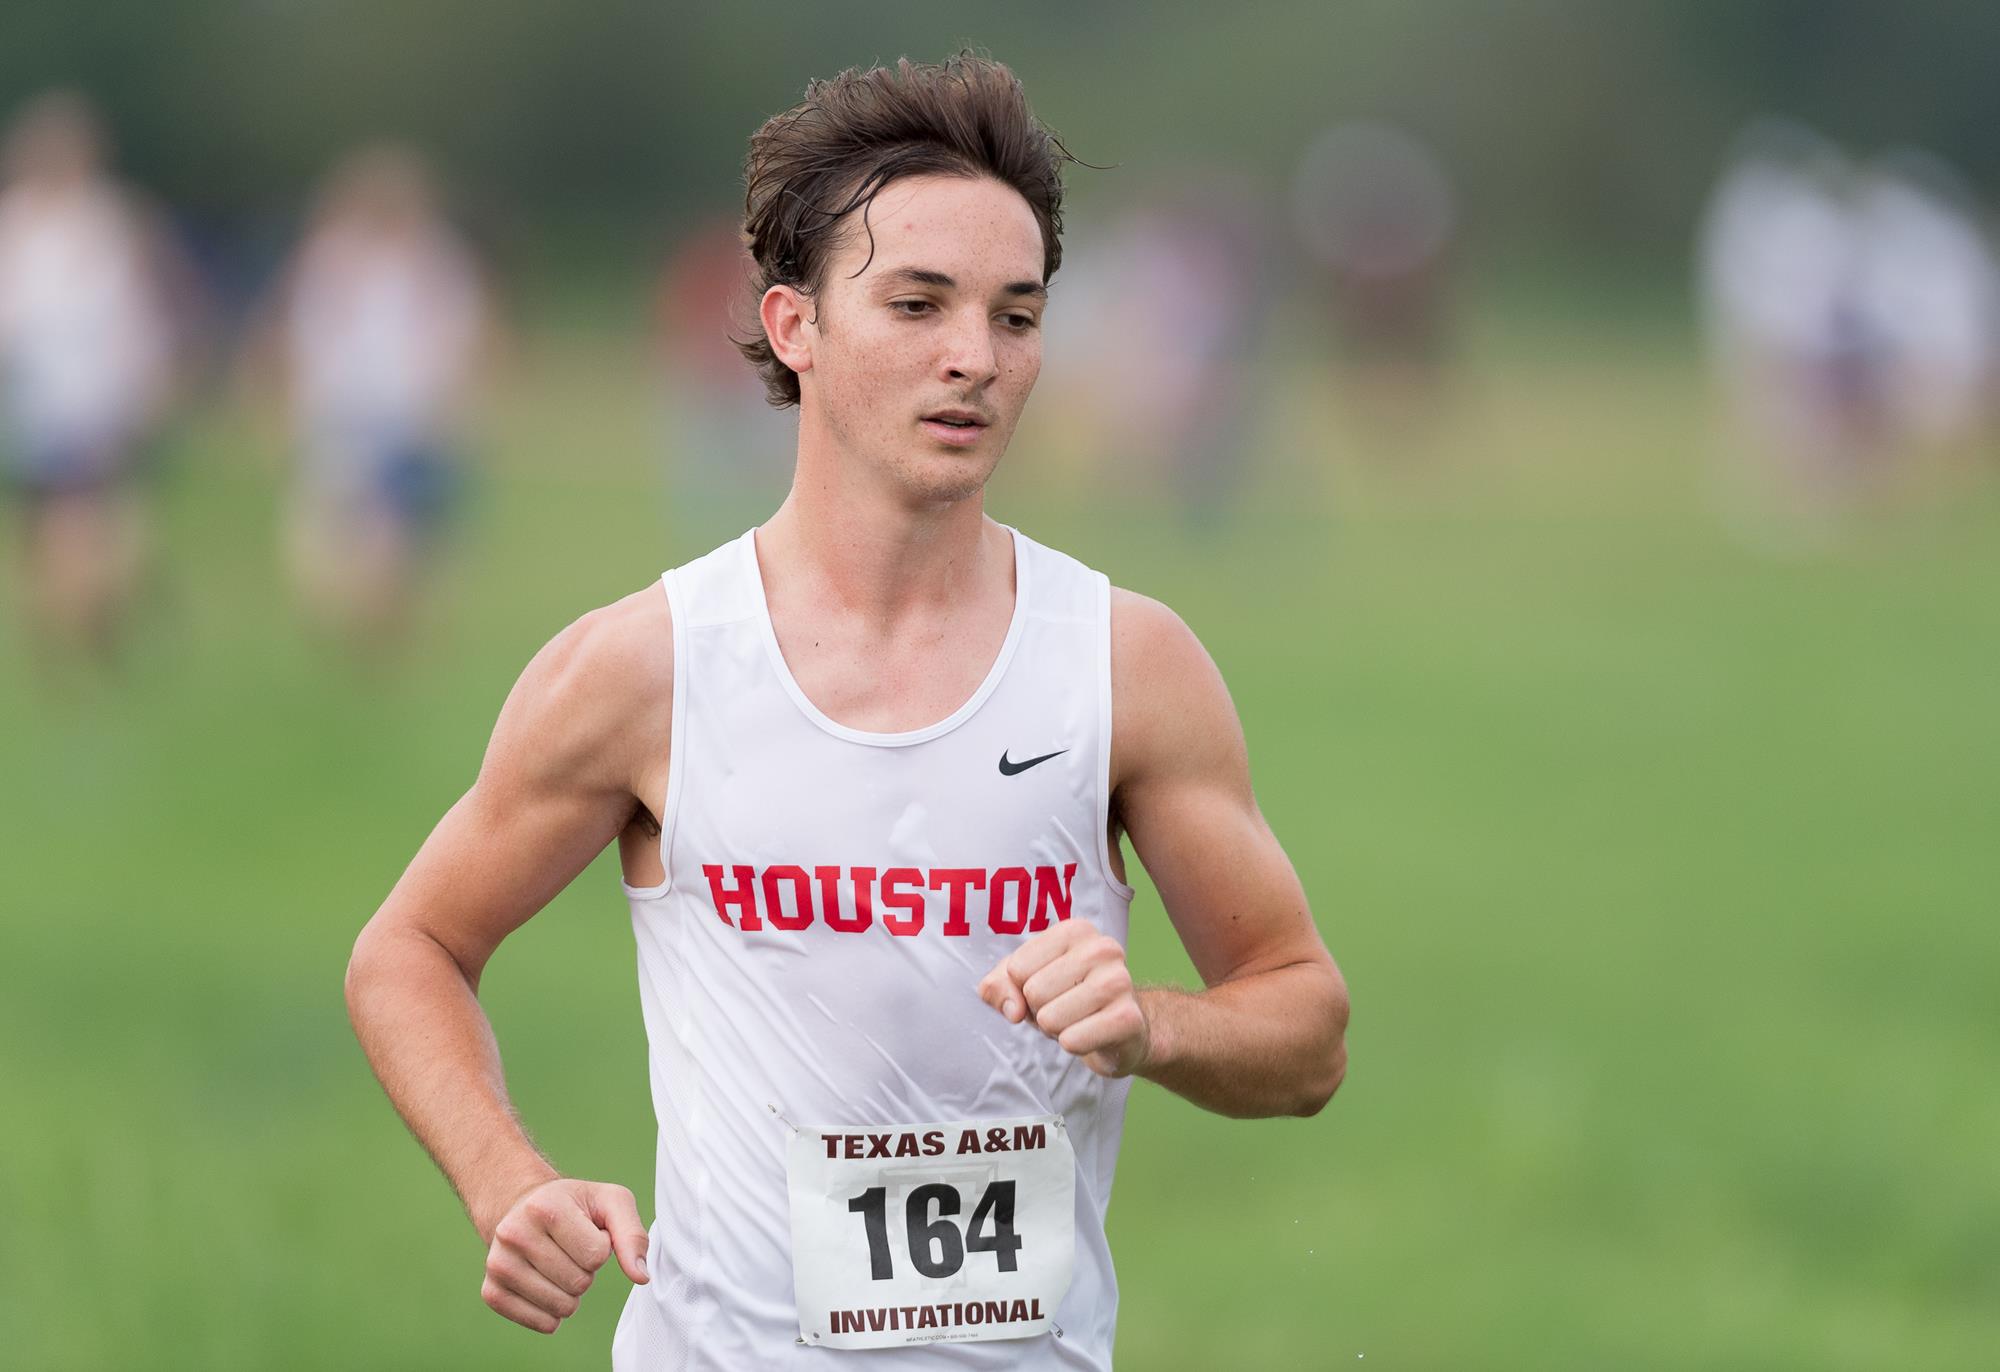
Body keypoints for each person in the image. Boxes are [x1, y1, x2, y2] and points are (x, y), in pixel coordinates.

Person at [345, 54, 1349, 1368]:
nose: (972, 359)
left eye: (1017, 315)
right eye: (918, 305)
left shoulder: (1124, 664)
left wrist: (1151, 1023)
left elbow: (1305, 1029)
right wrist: (509, 1183)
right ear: (794, 323)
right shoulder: (650, 666)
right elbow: (410, 947)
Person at [261, 143, 490, 652]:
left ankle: (381, 642)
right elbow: (305, 341)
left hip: (408, 426)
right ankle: (370, 636)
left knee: (389, 552)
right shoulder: (332, 262)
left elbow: (458, 343)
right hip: (343, 426)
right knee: (334, 557)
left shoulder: (437, 263)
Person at [0, 90, 182, 667]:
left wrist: (151, 376)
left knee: (92, 527)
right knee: (57, 530)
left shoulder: (112, 224)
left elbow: (141, 310)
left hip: (101, 404)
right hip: (38, 404)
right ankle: (72, 630)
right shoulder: (16, 228)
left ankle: (92, 621)